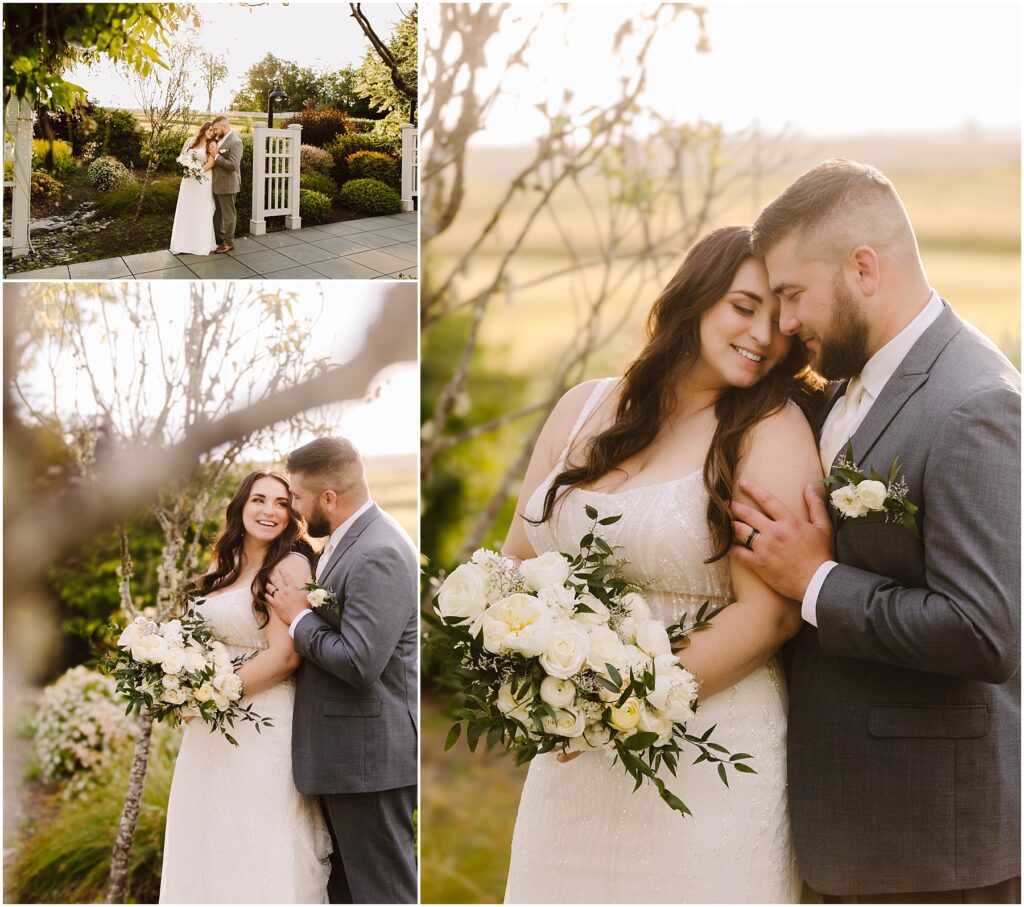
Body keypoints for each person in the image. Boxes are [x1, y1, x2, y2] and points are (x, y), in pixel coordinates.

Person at [501, 225, 824, 903]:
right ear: (695, 296)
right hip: (571, 758)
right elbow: (517, 561)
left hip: (710, 753)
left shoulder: (770, 429)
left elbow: (768, 616)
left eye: (778, 321)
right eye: (743, 306)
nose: (763, 336)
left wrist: (619, 702)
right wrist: (524, 674)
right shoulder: (581, 406)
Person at [730, 159, 1020, 903]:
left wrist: (815, 581)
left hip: (929, 849)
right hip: (845, 828)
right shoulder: (849, 382)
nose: (785, 321)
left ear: (863, 268)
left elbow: (985, 629)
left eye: (793, 294)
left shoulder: (974, 405)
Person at [159, 471, 332, 904]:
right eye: (259, 500)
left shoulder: (289, 565)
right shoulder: (225, 564)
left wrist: (208, 694)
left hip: (260, 724)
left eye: (280, 503)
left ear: (293, 515)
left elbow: (286, 655)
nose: (269, 511)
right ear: (240, 506)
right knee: (208, 836)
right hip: (208, 731)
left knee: (254, 838)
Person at [265, 438, 419, 905]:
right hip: (348, 759)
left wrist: (299, 617)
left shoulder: (378, 551)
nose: (291, 507)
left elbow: (359, 662)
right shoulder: (347, 540)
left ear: (328, 498)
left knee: (383, 892)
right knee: (350, 892)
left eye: (296, 496)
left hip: (367, 761)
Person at [169, 121, 218, 256]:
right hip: (188, 180)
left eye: (213, 131)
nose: (211, 132)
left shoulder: (211, 144)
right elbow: (181, 157)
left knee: (200, 209)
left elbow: (212, 162)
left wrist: (198, 171)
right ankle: (182, 243)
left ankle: (199, 244)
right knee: (186, 208)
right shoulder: (190, 140)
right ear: (204, 129)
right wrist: (186, 166)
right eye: (210, 129)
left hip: (203, 179)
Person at [211, 115, 243, 254]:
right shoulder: (219, 140)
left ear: (224, 126)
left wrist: (217, 156)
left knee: (228, 216)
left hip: (228, 185)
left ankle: (228, 243)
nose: (214, 132)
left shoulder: (235, 142)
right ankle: (220, 240)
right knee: (217, 215)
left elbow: (233, 165)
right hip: (216, 184)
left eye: (216, 129)